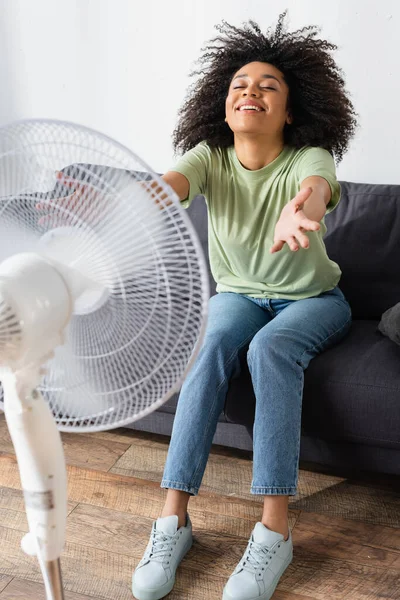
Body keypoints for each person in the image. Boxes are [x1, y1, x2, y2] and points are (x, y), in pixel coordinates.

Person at [131, 12, 357, 600]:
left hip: (312, 301)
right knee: (211, 344)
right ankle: (172, 519)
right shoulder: (210, 156)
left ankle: (273, 532)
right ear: (223, 104)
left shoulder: (308, 157)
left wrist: (302, 208)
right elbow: (171, 184)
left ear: (289, 110)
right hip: (238, 296)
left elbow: (316, 186)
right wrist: (129, 201)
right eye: (238, 85)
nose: (249, 91)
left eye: (267, 86)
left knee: (271, 348)